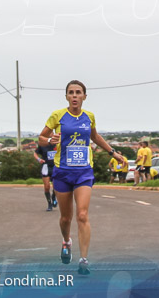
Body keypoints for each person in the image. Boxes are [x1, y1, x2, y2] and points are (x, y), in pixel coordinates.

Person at [39, 80, 126, 276]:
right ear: (67, 96)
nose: (75, 96)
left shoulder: (90, 117)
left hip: (84, 171)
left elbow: (95, 137)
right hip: (62, 171)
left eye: (78, 92)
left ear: (85, 96)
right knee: (65, 218)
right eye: (71, 93)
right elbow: (41, 138)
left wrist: (113, 153)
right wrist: (49, 139)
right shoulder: (57, 115)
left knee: (82, 215)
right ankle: (66, 241)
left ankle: (84, 260)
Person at [35, 138, 58, 210]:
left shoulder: (57, 143)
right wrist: (39, 159)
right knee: (47, 186)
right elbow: (35, 153)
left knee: (56, 186)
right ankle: (49, 204)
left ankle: (54, 197)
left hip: (55, 166)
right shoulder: (42, 145)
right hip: (46, 166)